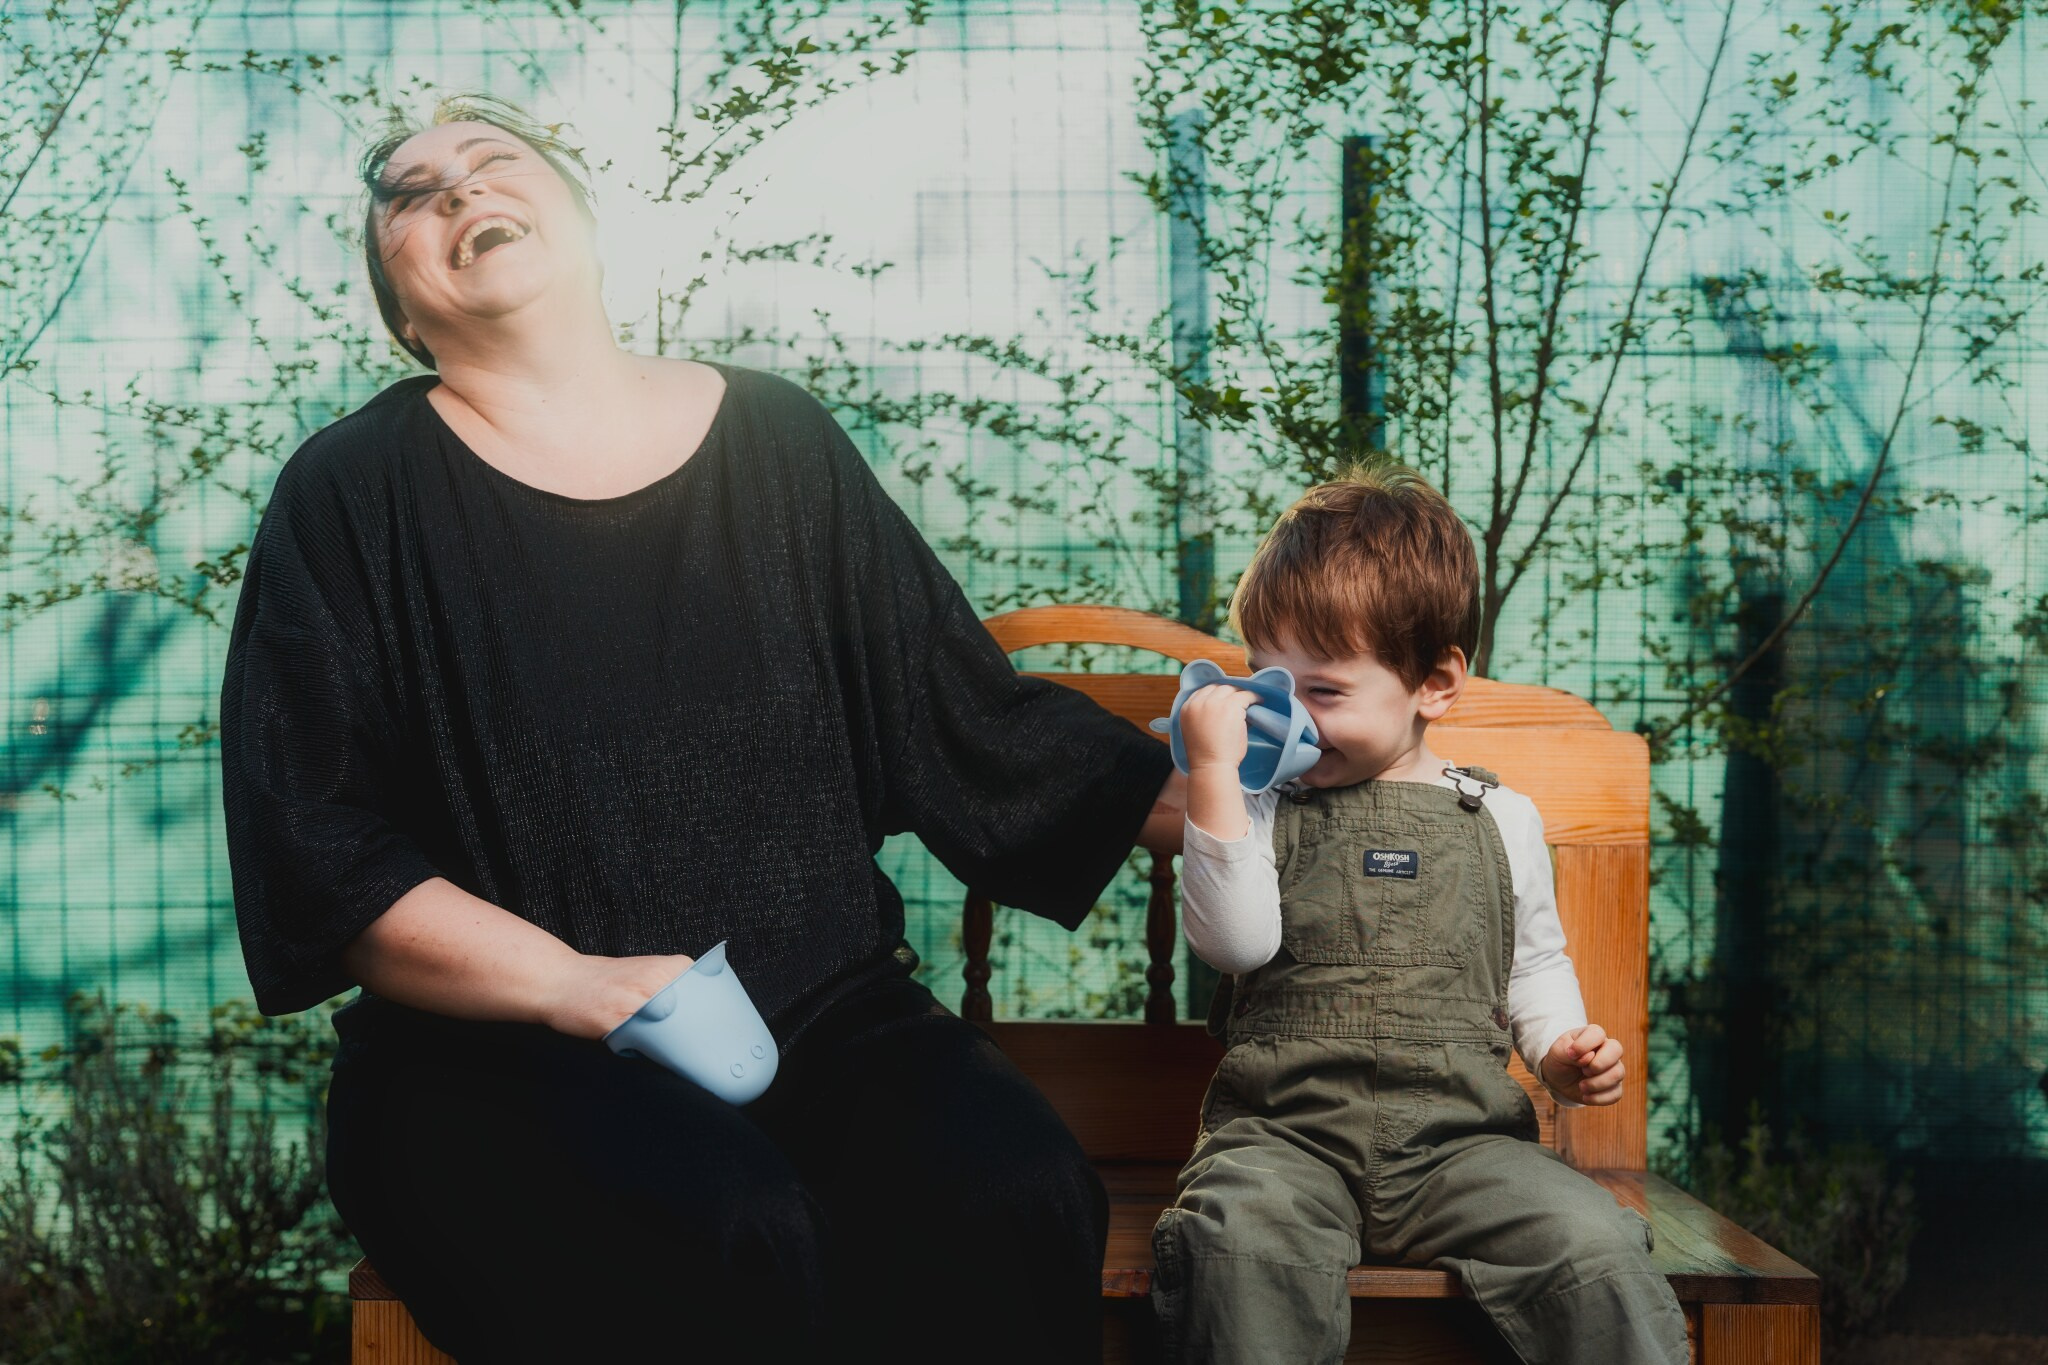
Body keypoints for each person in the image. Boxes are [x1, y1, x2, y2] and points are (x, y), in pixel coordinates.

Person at [217, 94, 1186, 1364]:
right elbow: (317, 844)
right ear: (402, 310)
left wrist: (1225, 791)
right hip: (486, 1061)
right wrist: (578, 988)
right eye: (410, 194)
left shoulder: (777, 441)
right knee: (728, 1225)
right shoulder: (347, 492)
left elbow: (952, 714)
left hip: (822, 1017)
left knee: (1007, 1193)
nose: (455, 191)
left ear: (585, 221)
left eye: (491, 163)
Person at [1148, 468, 1689, 1363]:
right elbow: (1235, 942)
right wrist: (1214, 778)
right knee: (1236, 1242)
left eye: (1320, 692)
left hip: (1462, 1146)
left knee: (1593, 1246)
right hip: (1286, 1138)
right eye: (1265, 684)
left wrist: (1559, 1050)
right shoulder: (1261, 803)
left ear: (1434, 684)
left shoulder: (1500, 817)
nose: (1289, 719)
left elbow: (1534, 965)